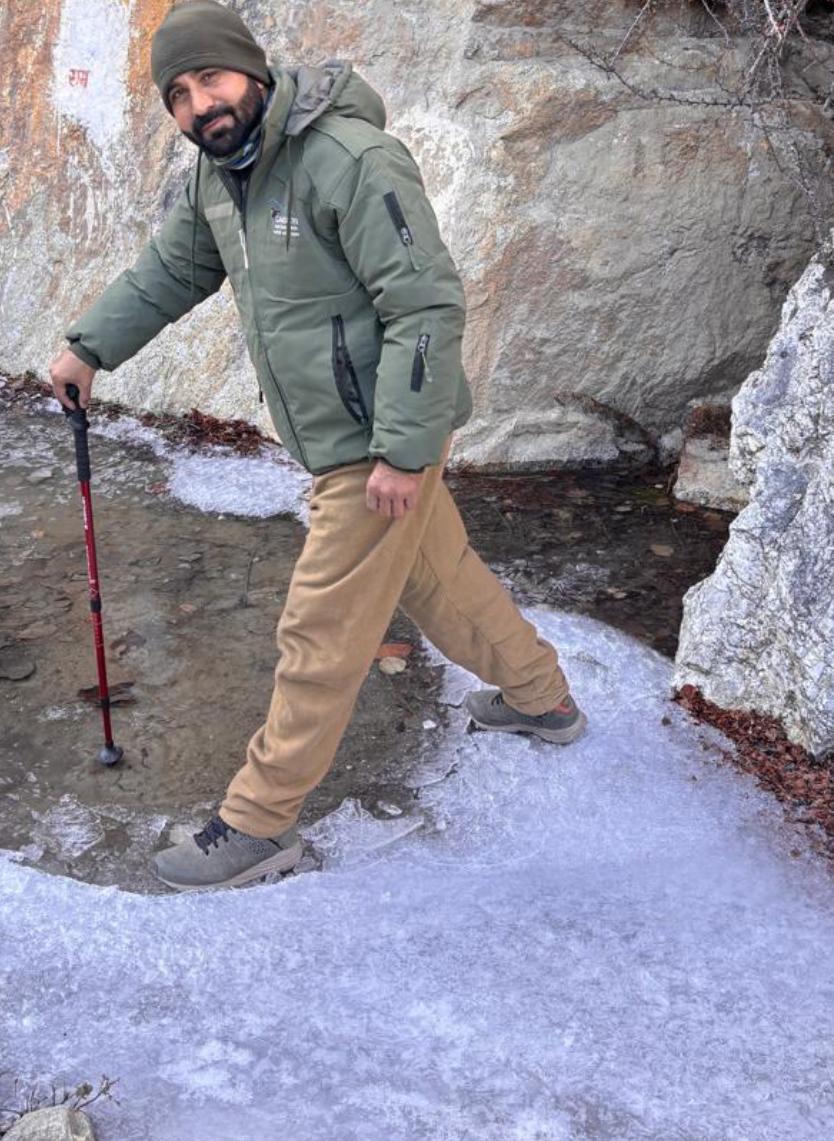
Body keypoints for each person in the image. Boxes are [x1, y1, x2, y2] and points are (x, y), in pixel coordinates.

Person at [49, 0, 585, 891]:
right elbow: (173, 270)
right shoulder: (222, 177)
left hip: (377, 436)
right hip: (349, 435)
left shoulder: (351, 159)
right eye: (177, 94)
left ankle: (259, 825)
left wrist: (404, 452)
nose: (197, 106)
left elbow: (426, 305)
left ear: (254, 73)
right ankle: (542, 699)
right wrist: (88, 346)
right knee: (438, 579)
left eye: (210, 80)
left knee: (321, 630)